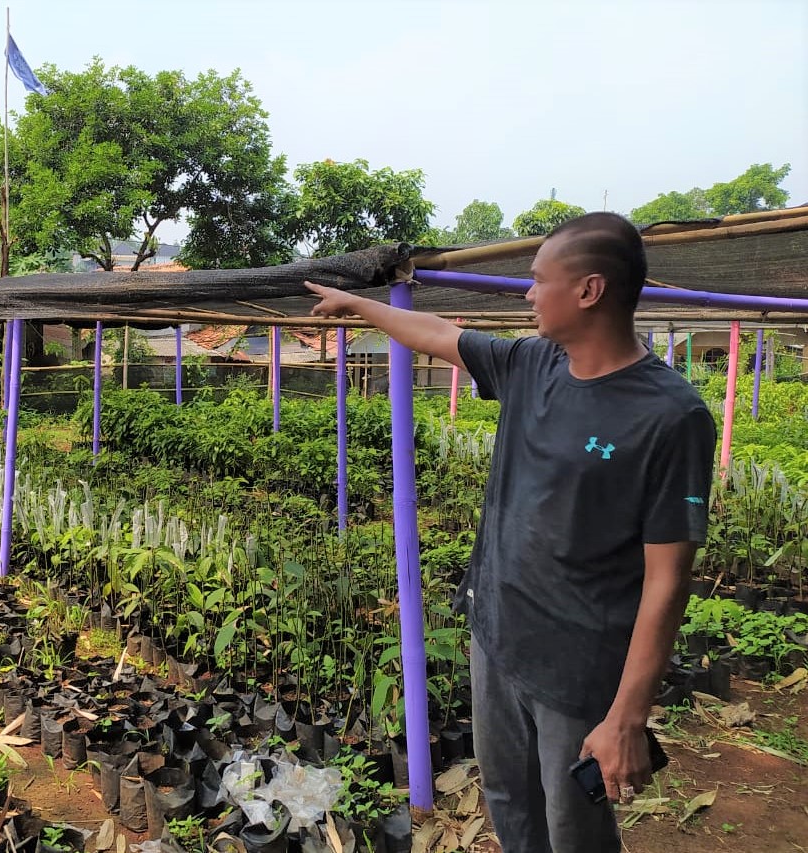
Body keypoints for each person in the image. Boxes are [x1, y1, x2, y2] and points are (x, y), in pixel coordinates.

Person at [305, 212, 716, 853]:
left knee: (573, 826)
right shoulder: (533, 364)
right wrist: (359, 304)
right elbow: (440, 333)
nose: (527, 294)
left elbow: (669, 578)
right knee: (508, 800)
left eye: (536, 280)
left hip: (579, 668)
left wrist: (627, 716)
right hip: (498, 635)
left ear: (589, 291)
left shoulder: (671, 415)